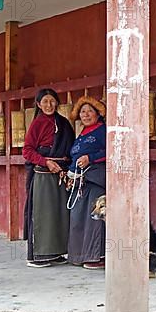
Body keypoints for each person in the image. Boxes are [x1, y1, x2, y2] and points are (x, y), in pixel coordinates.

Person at [22, 88, 75, 268]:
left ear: (57, 103)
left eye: (52, 101)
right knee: (43, 214)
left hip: (61, 173)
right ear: (38, 104)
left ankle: (56, 251)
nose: (49, 105)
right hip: (44, 175)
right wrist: (46, 162)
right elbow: (27, 150)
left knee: (59, 214)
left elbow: (71, 148)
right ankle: (38, 254)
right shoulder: (37, 124)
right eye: (44, 101)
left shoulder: (64, 123)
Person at [66, 96, 107, 269]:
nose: (86, 114)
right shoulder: (81, 134)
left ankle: (96, 256)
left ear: (98, 114)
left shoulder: (103, 130)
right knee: (77, 217)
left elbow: (111, 151)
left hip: (96, 179)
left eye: (90, 111)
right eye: (83, 111)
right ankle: (79, 255)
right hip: (80, 182)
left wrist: (91, 158)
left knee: (94, 218)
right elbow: (74, 156)